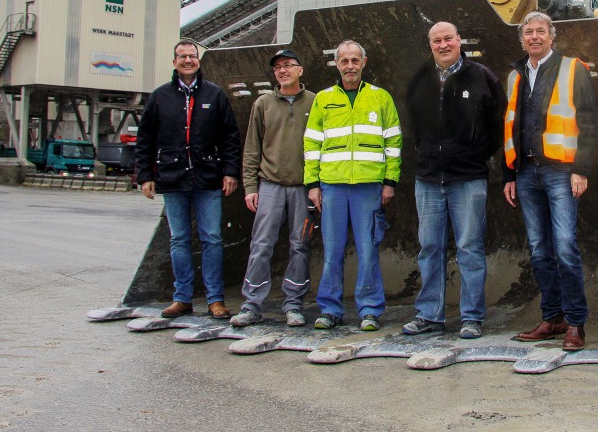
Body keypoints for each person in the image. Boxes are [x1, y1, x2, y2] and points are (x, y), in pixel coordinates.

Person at [401, 22, 506, 340]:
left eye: (448, 39)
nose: (443, 45)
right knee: (429, 247)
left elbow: (498, 122)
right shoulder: (421, 79)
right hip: (429, 179)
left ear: (460, 40)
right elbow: (414, 126)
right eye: (436, 40)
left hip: (468, 179)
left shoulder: (482, 77)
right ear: (430, 45)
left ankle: (471, 316)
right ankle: (429, 315)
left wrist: (476, 154)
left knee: (469, 248)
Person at [502, 11, 598, 351]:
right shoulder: (516, 75)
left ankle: (575, 323)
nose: (534, 37)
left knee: (565, 247)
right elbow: (510, 125)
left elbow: (588, 122)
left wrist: (581, 169)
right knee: (540, 250)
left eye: (540, 31)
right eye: (528, 32)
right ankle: (552, 317)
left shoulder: (573, 69)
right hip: (526, 172)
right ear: (522, 39)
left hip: (561, 171)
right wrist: (509, 174)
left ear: (551, 36)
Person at [136, 39, 242, 320]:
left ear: (199, 60)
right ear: (174, 62)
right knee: (179, 239)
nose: (187, 61)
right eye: (182, 56)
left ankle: (215, 299)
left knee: (212, 238)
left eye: (192, 56)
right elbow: (145, 138)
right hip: (172, 178)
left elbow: (230, 136)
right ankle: (182, 298)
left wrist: (230, 171)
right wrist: (145, 175)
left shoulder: (214, 95)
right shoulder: (160, 97)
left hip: (208, 179)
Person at [303, 40, 401, 332]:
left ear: (364, 63)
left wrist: (389, 181)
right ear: (337, 64)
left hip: (369, 186)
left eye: (354, 60)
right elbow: (312, 144)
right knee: (332, 250)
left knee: (368, 249)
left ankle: (369, 310)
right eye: (344, 61)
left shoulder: (380, 98)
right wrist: (313, 184)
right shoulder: (323, 99)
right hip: (332, 186)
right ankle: (330, 309)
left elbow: (393, 141)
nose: (349, 66)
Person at [230, 49, 317, 329]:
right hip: (269, 187)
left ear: (300, 70)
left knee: (300, 246)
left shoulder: (316, 102)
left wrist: (318, 185)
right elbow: (252, 148)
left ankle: (293, 304)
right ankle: (252, 304)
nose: (283, 70)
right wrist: (250, 186)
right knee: (261, 245)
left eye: (288, 65)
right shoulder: (263, 103)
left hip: (303, 189)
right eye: (278, 67)